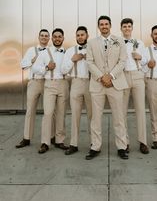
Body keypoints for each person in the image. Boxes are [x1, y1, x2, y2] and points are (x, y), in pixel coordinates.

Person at [85, 15, 128, 160]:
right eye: (101, 24)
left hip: (115, 83)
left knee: (119, 117)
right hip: (97, 84)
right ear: (98, 27)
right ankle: (95, 146)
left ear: (110, 25)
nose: (104, 26)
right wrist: (101, 77)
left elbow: (123, 61)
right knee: (96, 118)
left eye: (106, 24)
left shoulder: (119, 40)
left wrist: (111, 76)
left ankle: (122, 146)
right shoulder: (91, 43)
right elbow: (89, 62)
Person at [32, 28, 69, 153]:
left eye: (60, 36)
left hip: (64, 84)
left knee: (61, 113)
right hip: (49, 84)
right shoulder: (45, 53)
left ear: (63, 38)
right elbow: (35, 69)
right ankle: (45, 142)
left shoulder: (67, 53)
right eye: (55, 37)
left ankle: (59, 140)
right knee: (48, 114)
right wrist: (47, 67)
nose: (57, 38)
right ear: (52, 38)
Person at [16, 29, 54, 148]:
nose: (44, 37)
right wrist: (32, 62)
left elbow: (53, 67)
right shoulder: (31, 50)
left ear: (49, 38)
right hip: (33, 82)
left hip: (47, 83)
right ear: (39, 37)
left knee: (49, 111)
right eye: (42, 35)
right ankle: (26, 138)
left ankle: (51, 137)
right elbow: (23, 64)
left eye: (46, 36)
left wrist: (34, 66)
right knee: (30, 110)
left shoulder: (51, 51)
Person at [61, 26, 92, 155]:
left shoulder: (93, 49)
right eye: (78, 35)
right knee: (75, 115)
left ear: (87, 35)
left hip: (91, 84)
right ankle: (74, 144)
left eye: (82, 35)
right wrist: (73, 60)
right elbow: (63, 70)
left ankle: (94, 144)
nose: (80, 37)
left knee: (92, 116)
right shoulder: (69, 51)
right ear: (76, 37)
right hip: (76, 83)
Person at [120, 18, 149, 154]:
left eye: (129, 26)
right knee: (122, 111)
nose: (127, 28)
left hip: (137, 75)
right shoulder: (117, 43)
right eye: (124, 26)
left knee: (140, 109)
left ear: (132, 28)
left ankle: (143, 142)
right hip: (123, 76)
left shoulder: (140, 43)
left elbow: (147, 61)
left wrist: (140, 57)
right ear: (121, 28)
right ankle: (124, 143)